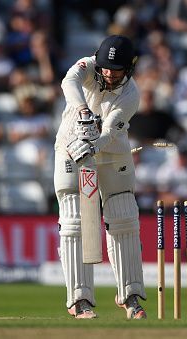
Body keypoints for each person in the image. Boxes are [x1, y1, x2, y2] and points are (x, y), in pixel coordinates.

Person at [54, 35, 147, 319]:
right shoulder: (87, 66)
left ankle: (130, 296)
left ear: (129, 69)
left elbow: (109, 131)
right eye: (105, 67)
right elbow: (68, 82)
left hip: (112, 153)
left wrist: (94, 143)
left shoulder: (131, 94)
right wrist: (83, 111)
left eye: (116, 69)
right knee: (74, 222)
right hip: (71, 148)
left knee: (124, 218)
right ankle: (79, 300)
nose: (108, 73)